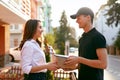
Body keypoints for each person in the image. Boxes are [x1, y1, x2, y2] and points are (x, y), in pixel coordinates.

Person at [64, 7, 108, 80]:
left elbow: (103, 64)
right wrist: (73, 67)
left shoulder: (98, 37)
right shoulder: (82, 39)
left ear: (88, 17)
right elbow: (84, 63)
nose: (76, 21)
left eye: (79, 18)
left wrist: (79, 59)